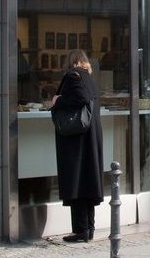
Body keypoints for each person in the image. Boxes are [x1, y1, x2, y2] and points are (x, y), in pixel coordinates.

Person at [51, 49, 103, 243]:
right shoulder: (88, 78)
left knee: (77, 182)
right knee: (87, 182)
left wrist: (58, 100)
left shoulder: (73, 75)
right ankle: (89, 229)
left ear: (71, 61)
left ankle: (81, 231)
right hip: (89, 137)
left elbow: (80, 98)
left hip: (77, 140)